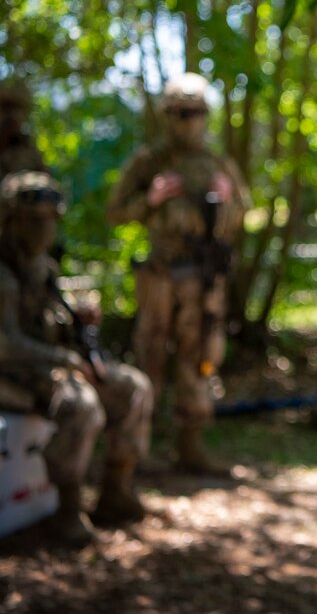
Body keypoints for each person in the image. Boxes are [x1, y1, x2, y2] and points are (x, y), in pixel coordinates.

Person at [105, 72, 249, 474]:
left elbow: (243, 215)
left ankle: (191, 447)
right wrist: (149, 200)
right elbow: (115, 212)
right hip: (160, 275)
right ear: (168, 115)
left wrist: (227, 202)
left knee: (199, 358)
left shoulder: (218, 163)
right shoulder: (149, 162)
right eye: (181, 112)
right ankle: (139, 450)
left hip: (201, 281)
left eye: (196, 112)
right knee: (149, 357)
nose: (189, 120)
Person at [0, 171, 153, 545]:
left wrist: (79, 323)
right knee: (80, 404)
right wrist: (64, 359)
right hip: (13, 371)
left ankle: (115, 488)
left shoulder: (43, 269)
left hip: (46, 364)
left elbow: (49, 324)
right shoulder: (4, 272)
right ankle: (67, 508)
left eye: (51, 219)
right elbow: (6, 344)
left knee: (133, 386)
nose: (45, 229)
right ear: (10, 221)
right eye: (34, 220)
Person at [0, 79, 47, 178]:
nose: (13, 115)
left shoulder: (28, 149)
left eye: (18, 108)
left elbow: (45, 182)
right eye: (6, 107)